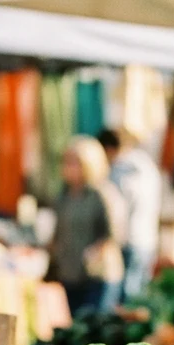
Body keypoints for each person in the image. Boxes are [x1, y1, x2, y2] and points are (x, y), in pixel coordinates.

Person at [50, 135, 126, 316]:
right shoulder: (63, 195)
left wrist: (93, 253)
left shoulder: (102, 194)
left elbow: (114, 233)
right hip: (69, 273)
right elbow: (58, 232)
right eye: (66, 161)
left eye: (74, 162)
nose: (68, 167)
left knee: (94, 325)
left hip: (97, 274)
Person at [99, 127, 162, 302]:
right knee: (140, 295)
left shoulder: (119, 172)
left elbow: (117, 211)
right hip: (148, 239)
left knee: (127, 299)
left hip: (128, 240)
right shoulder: (147, 164)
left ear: (108, 149)